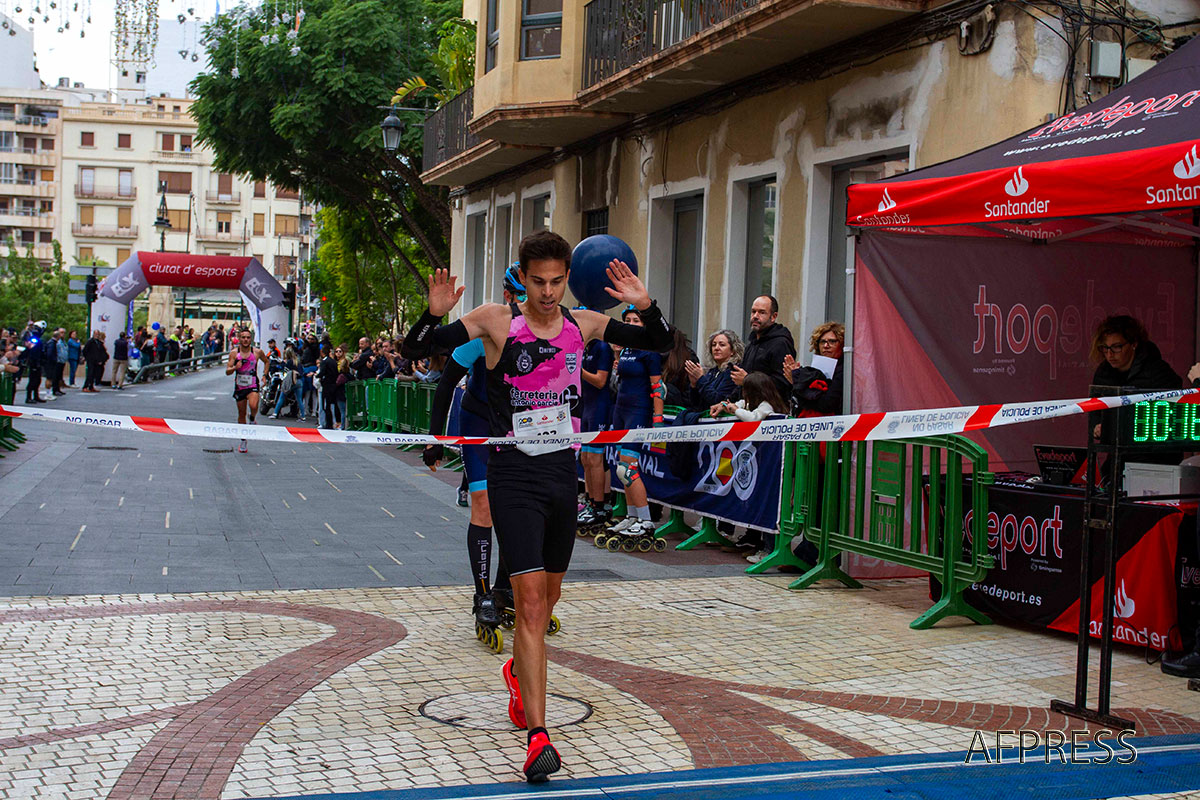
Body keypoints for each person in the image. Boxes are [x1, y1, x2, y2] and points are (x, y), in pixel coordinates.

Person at [402, 230, 672, 782]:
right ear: (522, 278)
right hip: (513, 476)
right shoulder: (497, 322)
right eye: (538, 282)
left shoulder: (585, 325)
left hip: (560, 476)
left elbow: (661, 344)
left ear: (567, 278)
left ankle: (516, 673)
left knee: (545, 604)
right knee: (527, 606)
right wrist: (430, 317)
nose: (548, 293)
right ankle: (538, 738)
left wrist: (645, 306)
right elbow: (417, 352)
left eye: (557, 282)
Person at [424, 265, 525, 644]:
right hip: (479, 422)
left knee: (515, 508)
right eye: (519, 298)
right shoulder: (486, 328)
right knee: (483, 505)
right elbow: (447, 381)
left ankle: (503, 589)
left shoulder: (547, 332)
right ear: (508, 297)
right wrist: (434, 440)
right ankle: (482, 593)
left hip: (517, 429)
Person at [605, 305, 664, 543]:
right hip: (621, 411)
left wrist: (657, 422)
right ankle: (632, 517)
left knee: (629, 469)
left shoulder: (650, 350)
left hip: (638, 413)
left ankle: (646, 521)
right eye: (627, 320)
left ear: (644, 324)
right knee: (621, 468)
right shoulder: (626, 349)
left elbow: (657, 388)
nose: (630, 324)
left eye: (636, 320)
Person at [577, 318, 615, 530]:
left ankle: (600, 507)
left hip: (600, 406)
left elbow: (601, 380)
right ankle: (591, 503)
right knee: (585, 458)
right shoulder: (585, 347)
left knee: (595, 458)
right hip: (587, 406)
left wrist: (577, 371)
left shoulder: (601, 347)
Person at [731, 295, 795, 401]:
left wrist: (748, 380)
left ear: (773, 316)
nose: (755, 316)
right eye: (753, 311)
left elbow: (783, 384)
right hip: (748, 409)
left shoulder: (781, 343)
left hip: (772, 411)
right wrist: (726, 402)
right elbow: (740, 384)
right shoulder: (751, 344)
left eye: (762, 312)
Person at [782, 321, 845, 417]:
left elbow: (827, 404)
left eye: (832, 341)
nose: (826, 346)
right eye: (822, 341)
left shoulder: (846, 369)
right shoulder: (814, 368)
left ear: (842, 344)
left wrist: (800, 383)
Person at [226, 328, 267, 453]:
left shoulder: (257, 352)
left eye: (248, 337)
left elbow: (267, 362)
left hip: (253, 384)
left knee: (254, 404)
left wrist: (265, 375)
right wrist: (234, 368)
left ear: (251, 339)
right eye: (243, 337)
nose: (245, 340)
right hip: (240, 387)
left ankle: (253, 417)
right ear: (239, 338)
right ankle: (243, 440)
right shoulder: (234, 353)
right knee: (241, 414)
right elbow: (227, 371)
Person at [684, 329, 742, 411]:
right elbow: (696, 404)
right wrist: (694, 385)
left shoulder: (733, 371)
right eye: (714, 345)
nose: (716, 348)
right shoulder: (712, 372)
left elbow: (717, 401)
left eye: (722, 345)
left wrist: (700, 379)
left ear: (733, 350)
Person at [269, 343, 305, 420]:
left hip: (290, 382)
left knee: (282, 397)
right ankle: (303, 416)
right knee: (299, 400)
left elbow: (283, 369)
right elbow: (302, 372)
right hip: (299, 382)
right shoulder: (297, 361)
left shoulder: (288, 362)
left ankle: (275, 413)